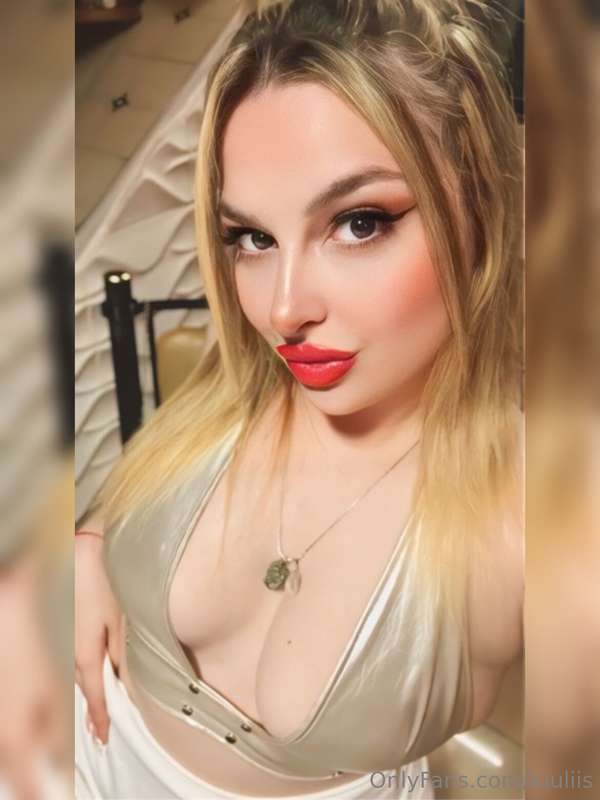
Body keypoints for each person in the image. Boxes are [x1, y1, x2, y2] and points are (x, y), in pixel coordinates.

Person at [74, 0, 524, 797]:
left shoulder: (531, 501)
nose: (283, 310)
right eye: (252, 238)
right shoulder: (242, 383)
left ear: (482, 208)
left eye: (359, 222)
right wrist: (85, 552)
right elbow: (135, 497)